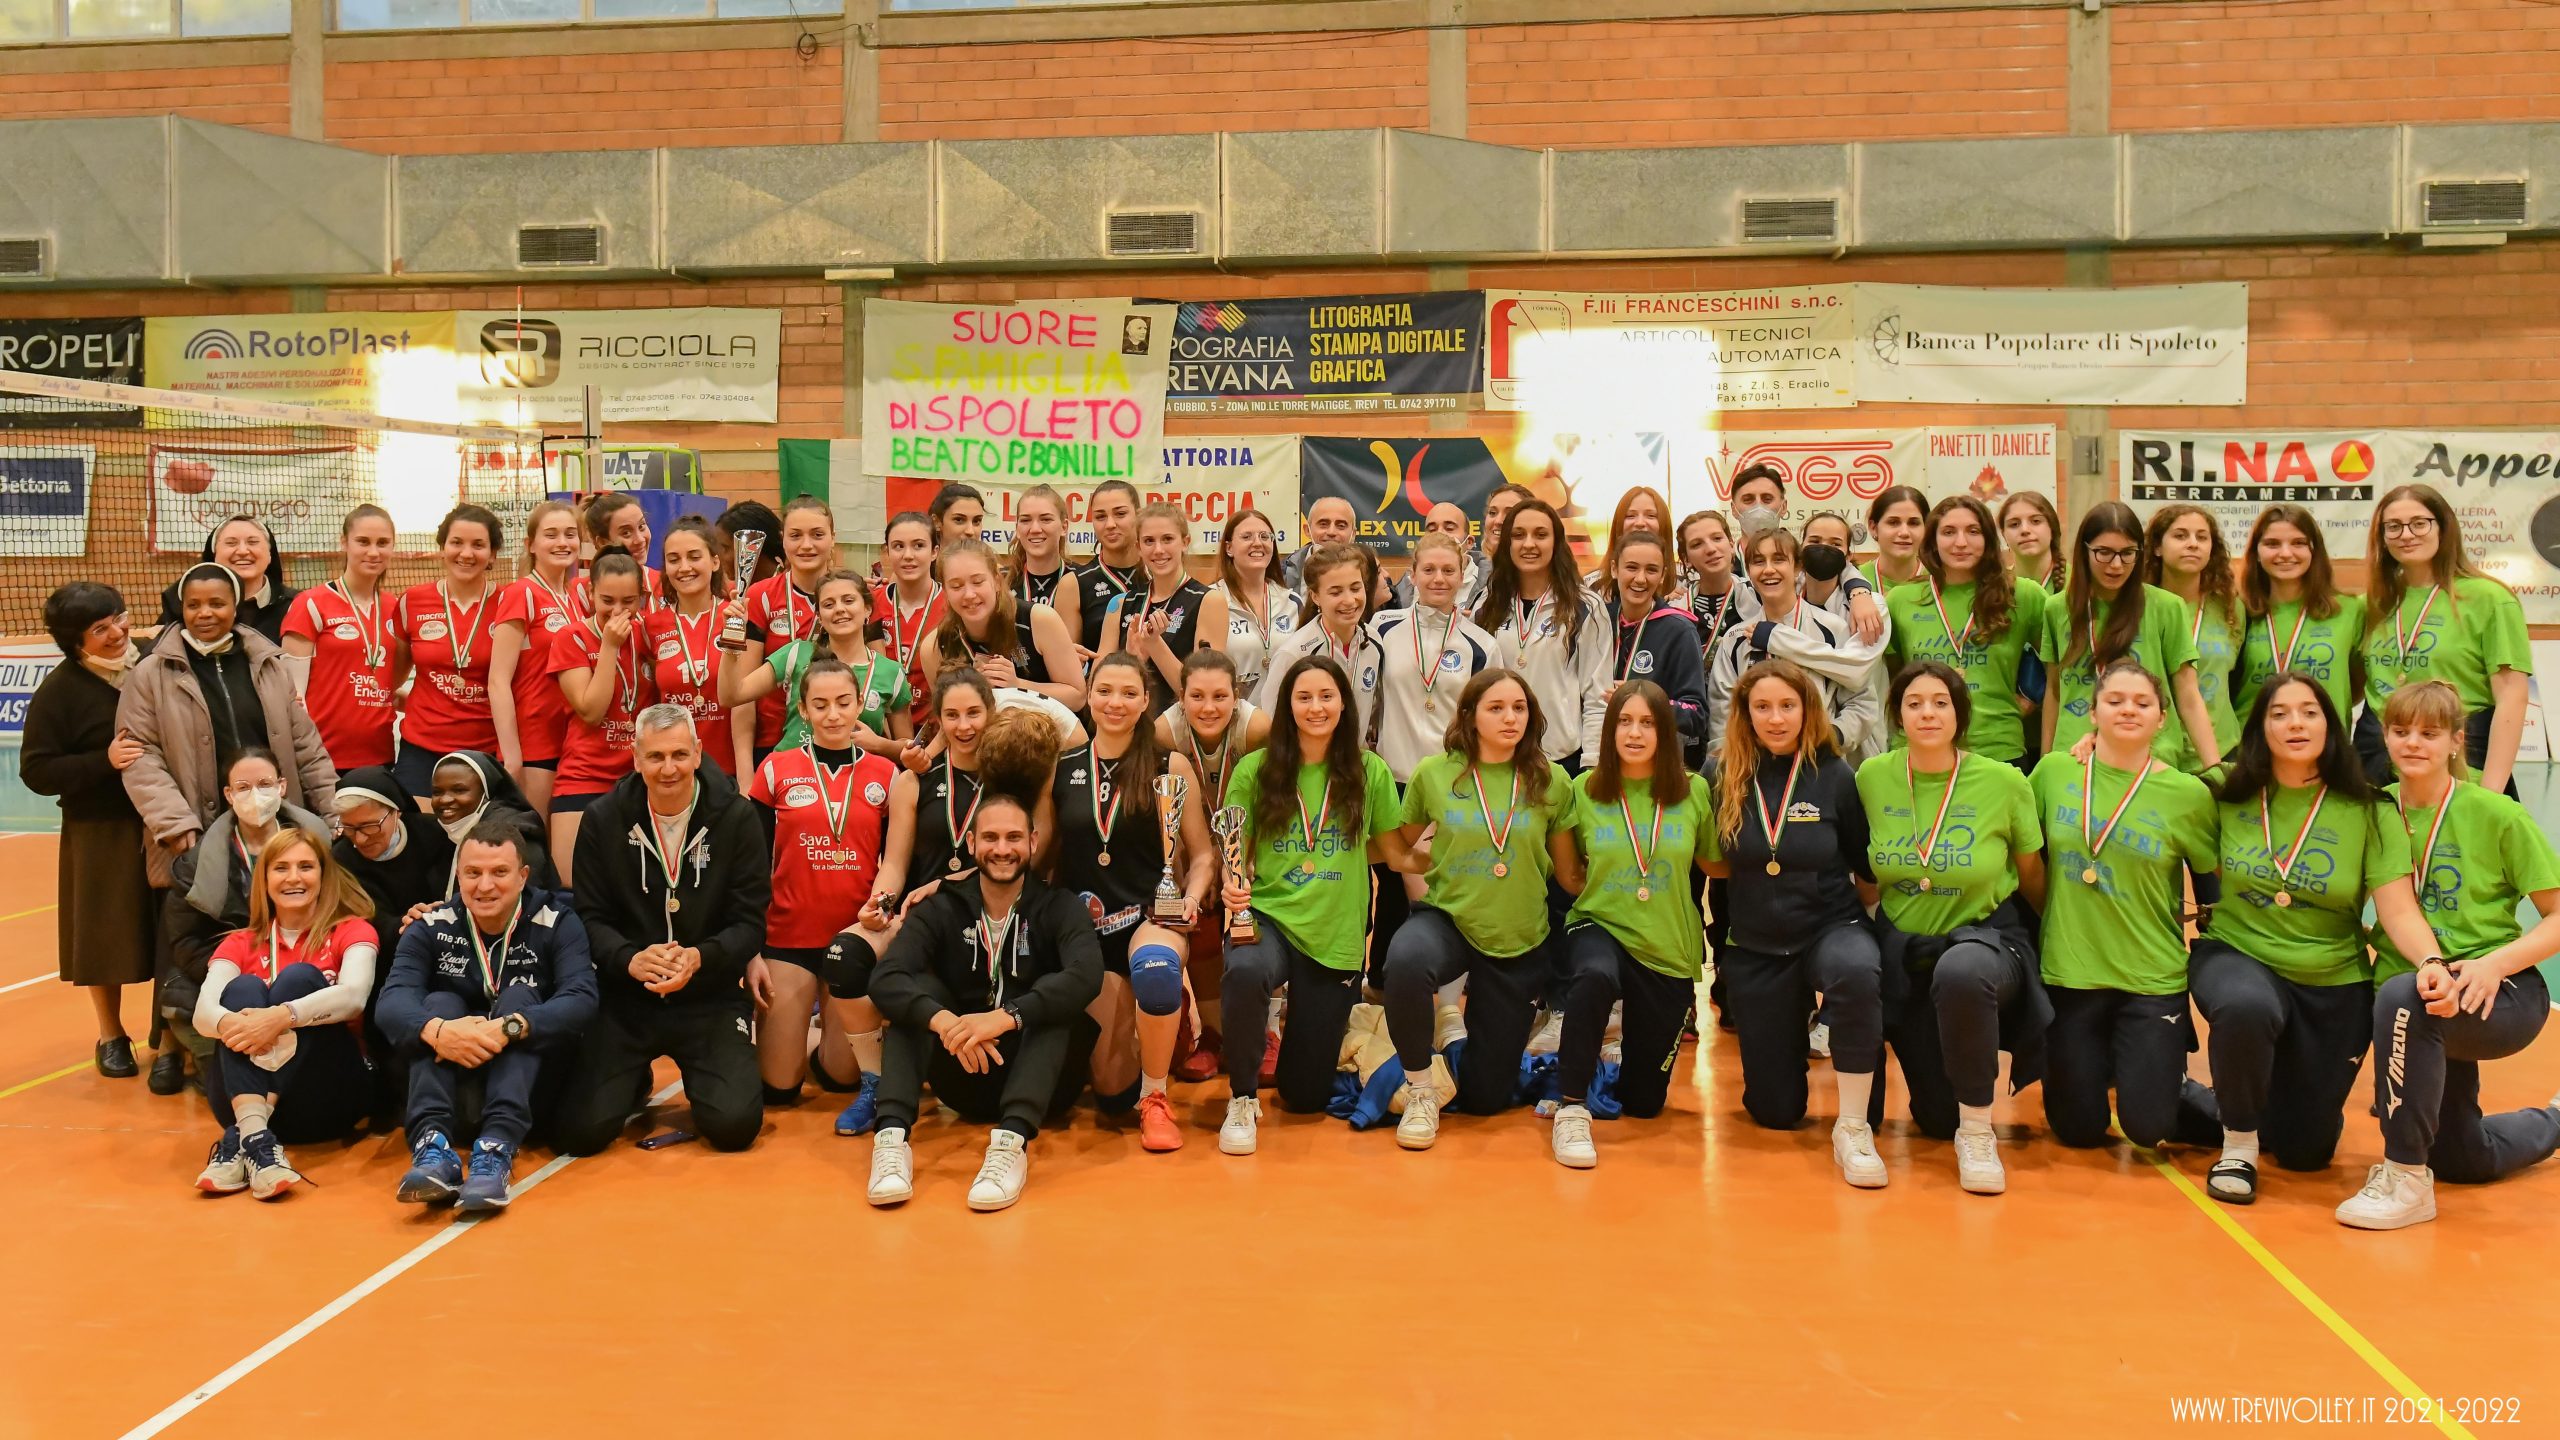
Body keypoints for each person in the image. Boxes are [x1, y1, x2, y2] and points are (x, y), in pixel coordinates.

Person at [2187, 673, 2443, 1204]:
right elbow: (2145, 781)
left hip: (2333, 979)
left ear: (2332, 724)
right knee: (2246, 1005)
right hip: (2239, 951)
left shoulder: (2371, 810)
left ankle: (2204, 1101)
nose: (2295, 723)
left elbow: (2397, 909)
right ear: (2260, 726)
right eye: (2279, 713)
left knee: (2305, 1152)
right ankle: (2236, 1143)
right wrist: (2097, 744)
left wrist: (2433, 960)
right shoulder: (2223, 790)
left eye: (2310, 711)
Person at [2339, 682, 2560, 1228]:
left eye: (2430, 733)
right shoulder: (2373, 809)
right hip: (2417, 997)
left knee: (2402, 995)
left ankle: (2406, 1176)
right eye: (2400, 730)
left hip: (2496, 990)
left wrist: (2494, 964)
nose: (2413, 743)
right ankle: (2556, 1122)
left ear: (2456, 741)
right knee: (2464, 1158)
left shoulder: (2496, 815)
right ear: (2384, 736)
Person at [1858, 661, 2049, 1194]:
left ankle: (1978, 1133)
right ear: (1897, 714)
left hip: (1985, 940)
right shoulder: (1873, 778)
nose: (1927, 713)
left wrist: (2051, 952)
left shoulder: (2005, 782)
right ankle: (1951, 1118)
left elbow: (2033, 878)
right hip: (1909, 950)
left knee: (1962, 970)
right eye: (1914, 703)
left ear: (1960, 714)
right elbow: (1866, 874)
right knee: (1934, 1118)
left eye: (1940, 702)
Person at [864, 789, 1104, 1212]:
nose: (1002, 849)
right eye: (990, 838)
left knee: (1053, 996)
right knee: (917, 998)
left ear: (1032, 842)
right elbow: (887, 977)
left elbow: (1087, 976)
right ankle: (891, 1140)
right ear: (971, 844)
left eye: (1014, 837)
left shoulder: (1059, 906)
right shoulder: (940, 908)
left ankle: (1010, 1145)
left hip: (1042, 1086)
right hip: (963, 1070)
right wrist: (944, 1022)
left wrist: (1006, 1018)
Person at [1215, 655, 1413, 1156]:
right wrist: (1232, 885)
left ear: (1344, 704)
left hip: (1334, 931)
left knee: (1304, 1097)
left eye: (1326, 696)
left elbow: (1391, 851)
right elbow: (1237, 847)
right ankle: (1240, 1098)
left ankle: (1295, 1039)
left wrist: (1453, 847)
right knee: (1245, 970)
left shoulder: (1370, 772)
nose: (1316, 707)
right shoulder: (1256, 769)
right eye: (1304, 697)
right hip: (1270, 915)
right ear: (1287, 706)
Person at [556, 706, 771, 1156]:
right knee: (580, 1133)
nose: (668, 768)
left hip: (708, 994)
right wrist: (628, 959)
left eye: (678, 754)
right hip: (626, 997)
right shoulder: (602, 818)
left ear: (698, 753)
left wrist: (701, 957)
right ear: (635, 758)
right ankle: (632, 1075)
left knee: (734, 1127)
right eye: (655, 757)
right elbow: (589, 916)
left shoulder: (736, 817)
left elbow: (749, 923)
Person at [1711, 657, 1888, 1188]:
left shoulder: (1835, 775)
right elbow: (1710, 866)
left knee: (1857, 970)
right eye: (1762, 707)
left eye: (1788, 706)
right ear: (1744, 713)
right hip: (1758, 944)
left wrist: (1873, 934)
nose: (1776, 718)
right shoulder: (1721, 774)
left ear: (1807, 710)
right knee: (1775, 1110)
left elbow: (1866, 867)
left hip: (1829, 926)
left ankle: (1855, 1122)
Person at [2034, 660, 2222, 1154]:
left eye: (2143, 703)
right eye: (2114, 700)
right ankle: (2108, 1070)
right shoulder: (2054, 772)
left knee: (2147, 1128)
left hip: (2151, 978)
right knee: (2076, 1130)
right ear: (2092, 712)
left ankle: (2191, 1093)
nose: (2128, 710)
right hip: (2071, 974)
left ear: (2163, 719)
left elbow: (2213, 883)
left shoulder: (2187, 795)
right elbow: (2025, 856)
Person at [1380, 669, 1572, 1149]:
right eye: (1496, 708)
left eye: (1519, 708)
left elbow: (1568, 872)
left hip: (1518, 934)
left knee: (1487, 1097)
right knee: (1404, 960)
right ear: (1469, 715)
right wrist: (1450, 861)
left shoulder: (1553, 781)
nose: (1511, 718)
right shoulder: (1434, 774)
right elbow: (1408, 844)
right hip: (1448, 918)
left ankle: (1454, 1038)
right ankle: (1420, 1087)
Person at [380, 821, 597, 1213]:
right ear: (458, 875)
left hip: (528, 1079)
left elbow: (581, 998)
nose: (484, 886)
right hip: (453, 1072)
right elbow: (392, 1001)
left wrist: (512, 1027)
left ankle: (496, 1149)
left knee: (521, 995)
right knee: (440, 1004)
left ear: (522, 876)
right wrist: (439, 1031)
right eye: (473, 873)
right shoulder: (432, 925)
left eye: (499, 872)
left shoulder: (557, 921)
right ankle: (432, 1149)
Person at [1048, 654, 1215, 1151]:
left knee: (1158, 969)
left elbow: (1204, 853)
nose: (1114, 703)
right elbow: (1041, 852)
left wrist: (1189, 897)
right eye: (1104, 691)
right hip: (1083, 929)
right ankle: (1144, 1049)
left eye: (1128, 693)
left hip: (1150, 916)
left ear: (1146, 701)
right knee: (1109, 1092)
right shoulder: (1062, 767)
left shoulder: (1170, 764)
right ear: (1090, 694)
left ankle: (1158, 1097)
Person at [1547, 680, 1715, 1168]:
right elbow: (1569, 874)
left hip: (1666, 943)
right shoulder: (1584, 789)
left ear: (1665, 731)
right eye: (1624, 721)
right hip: (1599, 923)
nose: (1635, 733)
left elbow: (1714, 865)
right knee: (1595, 975)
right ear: (1609, 730)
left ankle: (1616, 1058)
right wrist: (1614, 896)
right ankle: (1571, 1106)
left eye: (1647, 722)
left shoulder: (1695, 790)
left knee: (1644, 1104)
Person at [742, 659, 900, 1121]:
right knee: (779, 1088)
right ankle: (799, 1035)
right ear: (804, 710)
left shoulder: (885, 775)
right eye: (821, 704)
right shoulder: (775, 769)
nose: (833, 714)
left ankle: (823, 1036)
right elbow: (751, 867)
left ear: (859, 707)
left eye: (843, 703)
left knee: (842, 1078)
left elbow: (897, 860)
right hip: (788, 938)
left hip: (854, 940)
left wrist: (882, 914)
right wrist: (751, 947)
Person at [121, 564, 337, 896]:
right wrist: (175, 823)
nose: (204, 613)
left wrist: (331, 811)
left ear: (235, 606)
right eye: (194, 605)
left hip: (276, 830)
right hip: (197, 834)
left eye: (217, 603)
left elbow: (306, 748)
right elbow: (141, 757)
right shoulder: (150, 673)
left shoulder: (269, 665)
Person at [190, 829, 378, 1200]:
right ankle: (257, 1140)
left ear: (324, 876)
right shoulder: (240, 942)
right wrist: (235, 1022)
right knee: (241, 991)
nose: (294, 877)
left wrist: (281, 1017)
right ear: (265, 880)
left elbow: (354, 997)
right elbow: (202, 1014)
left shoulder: (352, 930)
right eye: (281, 868)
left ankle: (243, 1142)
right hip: (242, 1105)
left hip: (325, 1098)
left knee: (298, 980)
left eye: (306, 866)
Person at [21, 583, 156, 1077]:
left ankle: (170, 1037)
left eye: (119, 618)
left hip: (164, 820)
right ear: (75, 642)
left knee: (172, 931)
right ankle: (112, 1035)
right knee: (105, 938)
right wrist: (103, 761)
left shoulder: (151, 668)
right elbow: (36, 771)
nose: (117, 632)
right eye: (100, 629)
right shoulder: (60, 692)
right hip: (101, 828)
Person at [161, 749, 339, 1090]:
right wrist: (247, 977)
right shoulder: (195, 863)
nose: (255, 795)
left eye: (265, 784)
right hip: (231, 977)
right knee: (228, 1073)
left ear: (283, 787)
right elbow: (186, 942)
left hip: (302, 971)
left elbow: (340, 916)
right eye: (242, 787)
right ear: (228, 795)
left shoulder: (318, 844)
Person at [2358, 484, 2533, 796]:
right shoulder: (2373, 604)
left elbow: (2512, 697)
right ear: (2381, 537)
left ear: (2444, 527)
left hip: (2462, 766)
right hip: (2379, 769)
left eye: (2419, 523)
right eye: (2393, 527)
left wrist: (2490, 793)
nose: (2406, 534)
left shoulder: (2490, 599)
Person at [1151, 648, 1269, 1081]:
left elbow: (1270, 798)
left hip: (1247, 839)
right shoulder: (1164, 733)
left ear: (1236, 697)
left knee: (1252, 921)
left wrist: (1244, 859)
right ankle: (1211, 1033)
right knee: (1193, 917)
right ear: (1181, 697)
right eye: (1197, 696)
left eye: (1220, 696)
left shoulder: (1256, 728)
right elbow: (1169, 816)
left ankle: (1265, 1028)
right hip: (1191, 841)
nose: (1208, 707)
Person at [2042, 501, 2220, 770]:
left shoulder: (2166, 607)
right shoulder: (2056, 608)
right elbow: (2054, 692)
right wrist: (2046, 763)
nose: (2116, 564)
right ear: (2084, 551)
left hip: (2150, 754)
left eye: (2127, 553)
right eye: (2104, 552)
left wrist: (2214, 768)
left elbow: (2188, 695)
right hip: (2074, 756)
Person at [1885, 496, 2046, 770]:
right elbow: (1891, 677)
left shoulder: (2023, 594)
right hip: (1919, 749)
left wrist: (2033, 696)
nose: (1961, 543)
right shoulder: (1901, 600)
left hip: (1997, 748)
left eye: (1973, 531)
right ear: (1932, 539)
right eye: (1948, 532)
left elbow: (2062, 663)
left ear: (1989, 539)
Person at [1705, 528, 1880, 761]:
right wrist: (1727, 763)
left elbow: (1861, 702)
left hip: (1819, 762)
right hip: (1754, 767)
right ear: (1748, 570)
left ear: (1798, 567)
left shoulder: (1833, 628)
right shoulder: (1735, 639)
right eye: (1758, 561)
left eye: (1779, 559)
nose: (1768, 569)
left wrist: (1830, 738)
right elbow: (1722, 713)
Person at [544, 548, 656, 885]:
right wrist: (608, 648)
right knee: (570, 888)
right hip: (584, 777)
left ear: (642, 599)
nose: (618, 611)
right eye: (607, 600)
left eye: (629, 601)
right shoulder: (571, 637)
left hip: (639, 782)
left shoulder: (649, 635)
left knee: (636, 889)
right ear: (590, 592)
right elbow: (591, 711)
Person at [1474, 496, 1608, 771]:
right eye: (1519, 535)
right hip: (1497, 759)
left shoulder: (1585, 606)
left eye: (1541, 535)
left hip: (1563, 759)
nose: (1529, 544)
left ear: (1557, 543)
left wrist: (1592, 765)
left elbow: (1598, 695)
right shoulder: (1486, 603)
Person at [722, 569, 913, 763]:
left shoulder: (890, 672)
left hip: (856, 786)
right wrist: (731, 639)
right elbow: (731, 696)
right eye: (829, 604)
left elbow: (909, 749)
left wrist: (880, 745)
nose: (839, 609)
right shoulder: (796, 653)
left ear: (867, 609)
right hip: (792, 780)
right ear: (820, 617)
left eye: (848, 601)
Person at [1370, 533, 1501, 783]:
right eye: (1429, 570)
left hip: (1452, 780)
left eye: (1448, 570)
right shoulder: (1382, 628)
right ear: (1413, 575)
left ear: (1462, 577)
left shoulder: (1482, 645)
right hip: (1393, 778)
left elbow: (1487, 719)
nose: (1438, 579)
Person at [393, 505, 505, 796]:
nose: (466, 553)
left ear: (492, 554)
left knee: (477, 839)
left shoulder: (510, 603)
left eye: (478, 545)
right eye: (457, 542)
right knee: (421, 834)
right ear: (442, 547)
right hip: (421, 746)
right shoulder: (412, 601)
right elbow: (396, 673)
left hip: (485, 749)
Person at [281, 505, 401, 772]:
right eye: (363, 542)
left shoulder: (396, 608)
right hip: (322, 759)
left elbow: (391, 677)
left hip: (380, 756)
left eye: (383, 543)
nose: (373, 551)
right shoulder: (310, 603)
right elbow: (292, 694)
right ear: (344, 542)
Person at [489, 499, 584, 821]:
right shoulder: (521, 593)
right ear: (531, 544)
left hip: (572, 744)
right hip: (534, 748)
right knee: (535, 845)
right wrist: (512, 756)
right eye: (551, 535)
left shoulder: (576, 597)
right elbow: (498, 680)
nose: (562, 542)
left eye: (570, 534)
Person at [872, 669, 1003, 903]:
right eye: (952, 715)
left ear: (991, 713)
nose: (963, 726)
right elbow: (894, 865)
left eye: (973, 713)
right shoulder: (912, 781)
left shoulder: (1009, 777)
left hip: (990, 914)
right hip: (926, 917)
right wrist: (880, 903)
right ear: (939, 720)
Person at [2233, 503, 2364, 725]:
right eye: (2272, 544)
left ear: (2315, 551)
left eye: (2299, 543)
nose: (2286, 553)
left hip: (2325, 745)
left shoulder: (2350, 610)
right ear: (2256, 552)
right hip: (2252, 746)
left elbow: (2357, 684)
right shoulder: (2239, 612)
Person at [925, 538, 1087, 712]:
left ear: (996, 580)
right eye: (956, 586)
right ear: (945, 591)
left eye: (978, 582)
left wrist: (1018, 685)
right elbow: (946, 717)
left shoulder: (1039, 620)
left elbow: (1077, 697)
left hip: (1050, 734)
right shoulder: (934, 647)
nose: (969, 594)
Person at [736, 495, 839, 763]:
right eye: (796, 535)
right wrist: (746, 771)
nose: (806, 545)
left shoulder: (851, 596)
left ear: (833, 538)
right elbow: (742, 693)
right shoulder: (760, 596)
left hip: (836, 738)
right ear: (783, 539)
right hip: (772, 743)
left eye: (817, 534)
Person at [2145, 503, 2243, 780]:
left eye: (2202, 537)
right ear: (2157, 547)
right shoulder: (2140, 606)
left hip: (2221, 748)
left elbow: (2234, 678)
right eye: (2180, 536)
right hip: (2157, 751)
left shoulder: (2231, 608)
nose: (2192, 544)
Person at [646, 516, 747, 775]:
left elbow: (745, 700)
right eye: (674, 559)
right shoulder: (651, 626)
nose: (684, 567)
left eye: (694, 557)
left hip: (728, 770)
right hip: (673, 770)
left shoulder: (734, 616)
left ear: (714, 562)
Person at [1101, 504, 1225, 714]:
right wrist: (1131, 661)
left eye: (1167, 539)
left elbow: (1202, 692)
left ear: (1185, 542)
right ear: (1139, 548)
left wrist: (1155, 645)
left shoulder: (1209, 600)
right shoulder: (1120, 604)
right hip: (1130, 724)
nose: (1158, 550)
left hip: (1180, 730)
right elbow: (1100, 684)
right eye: (1149, 541)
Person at [1598, 529, 1709, 764]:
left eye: (1651, 570)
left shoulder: (1679, 630)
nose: (1640, 578)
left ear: (1662, 575)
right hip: (1600, 758)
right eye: (1631, 567)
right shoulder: (1597, 622)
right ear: (1614, 568)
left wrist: (1645, 701)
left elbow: (1697, 715)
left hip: (1657, 764)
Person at [1254, 543, 1384, 739]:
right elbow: (1273, 722)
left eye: (1355, 588)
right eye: (1336, 592)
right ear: (1315, 596)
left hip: (1353, 765)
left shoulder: (1373, 641)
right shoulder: (1294, 653)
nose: (1349, 600)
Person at [330, 764, 455, 956]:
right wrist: (407, 922)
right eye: (349, 827)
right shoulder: (341, 860)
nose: (360, 838)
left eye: (370, 825)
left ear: (396, 812)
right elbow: (367, 923)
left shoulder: (436, 835)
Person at [428, 751, 553, 893]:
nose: (445, 800)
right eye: (437, 792)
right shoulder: (448, 831)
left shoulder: (515, 832)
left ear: (486, 792)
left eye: (459, 790)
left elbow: (523, 901)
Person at [159, 516, 295, 645]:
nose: (242, 551)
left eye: (253, 542)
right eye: (231, 543)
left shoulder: (295, 605)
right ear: (214, 555)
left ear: (270, 555)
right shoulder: (179, 605)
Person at [875, 512, 946, 726]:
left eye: (918, 546)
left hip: (936, 728)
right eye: (898, 546)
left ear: (935, 552)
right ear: (887, 552)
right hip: (881, 729)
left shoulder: (953, 605)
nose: (908, 555)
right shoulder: (869, 604)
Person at [1218, 507, 1297, 698]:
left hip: (1284, 719)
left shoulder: (1293, 602)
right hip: (1234, 719)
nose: (1257, 543)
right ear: (1229, 548)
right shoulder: (1212, 600)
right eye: (1246, 537)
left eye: (1264, 536)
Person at [1072, 480, 1145, 656]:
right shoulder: (1075, 583)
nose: (1110, 524)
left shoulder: (1159, 574)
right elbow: (1069, 664)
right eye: (1100, 516)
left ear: (1139, 514)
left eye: (1120, 514)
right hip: (1099, 681)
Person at [1005, 483, 1083, 643]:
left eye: (1045, 519)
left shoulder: (1082, 580)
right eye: (1025, 520)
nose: (1034, 529)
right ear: (1017, 529)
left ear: (1064, 527)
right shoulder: (1001, 583)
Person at [1676, 509, 1748, 657]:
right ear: (1686, 559)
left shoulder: (1758, 597)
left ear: (1730, 544)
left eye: (1716, 538)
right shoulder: (1676, 610)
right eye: (1697, 544)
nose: (1710, 549)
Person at [578, 493, 663, 610]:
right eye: (626, 533)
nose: (640, 539)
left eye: (642, 526)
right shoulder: (579, 592)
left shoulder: (662, 583)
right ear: (602, 542)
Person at [1457, 483, 1532, 614]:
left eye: (1509, 513)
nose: (1498, 521)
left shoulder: (1537, 578)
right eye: (1492, 513)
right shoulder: (1477, 575)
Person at [1278, 495, 1360, 592]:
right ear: (1307, 530)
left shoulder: (1370, 573)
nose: (1331, 532)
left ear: (1353, 534)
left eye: (1341, 526)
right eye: (1323, 524)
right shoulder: (1280, 573)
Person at [1860, 486, 1929, 594]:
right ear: (1873, 527)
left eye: (1914, 523)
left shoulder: (1939, 581)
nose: (1904, 532)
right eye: (1893, 522)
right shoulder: (1855, 579)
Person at [2000, 491, 2066, 597]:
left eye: (2036, 521)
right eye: (2014, 524)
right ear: (2004, 535)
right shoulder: (1996, 587)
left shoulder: (2079, 581)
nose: (2025, 530)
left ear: (2052, 528)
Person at [929, 482, 985, 554]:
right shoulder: (921, 565)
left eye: (976, 521)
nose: (970, 531)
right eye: (959, 520)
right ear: (936, 522)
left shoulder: (991, 565)